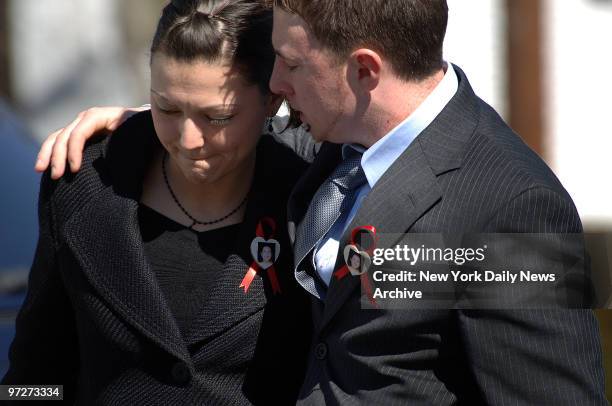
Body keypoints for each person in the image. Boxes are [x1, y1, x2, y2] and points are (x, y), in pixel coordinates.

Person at [35, 0, 608, 404]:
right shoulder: (335, 146)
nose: (276, 83)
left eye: (290, 63)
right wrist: (140, 125)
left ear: (363, 70)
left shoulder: (511, 203)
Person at [3, 1, 313, 404]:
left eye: (216, 117)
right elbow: (36, 370)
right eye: (167, 107)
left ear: (272, 100)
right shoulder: (85, 184)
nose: (187, 140)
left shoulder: (309, 194)